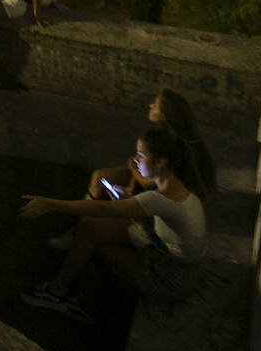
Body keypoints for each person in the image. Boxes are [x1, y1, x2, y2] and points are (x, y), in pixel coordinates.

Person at [17, 127, 206, 321]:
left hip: (169, 278)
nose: (136, 160)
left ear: (160, 162)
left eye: (141, 155)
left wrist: (49, 204)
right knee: (89, 228)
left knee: (96, 246)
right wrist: (130, 203)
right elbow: (155, 224)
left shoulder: (159, 199)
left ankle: (81, 302)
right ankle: (61, 289)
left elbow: (102, 209)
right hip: (168, 256)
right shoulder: (179, 188)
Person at [83, 88, 218, 204]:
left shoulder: (172, 142)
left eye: (155, 105)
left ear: (165, 113)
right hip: (149, 177)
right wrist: (131, 184)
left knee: (107, 187)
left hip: (162, 188)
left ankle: (86, 216)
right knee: (99, 176)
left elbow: (150, 182)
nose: (150, 105)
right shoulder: (159, 132)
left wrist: (132, 168)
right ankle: (85, 212)